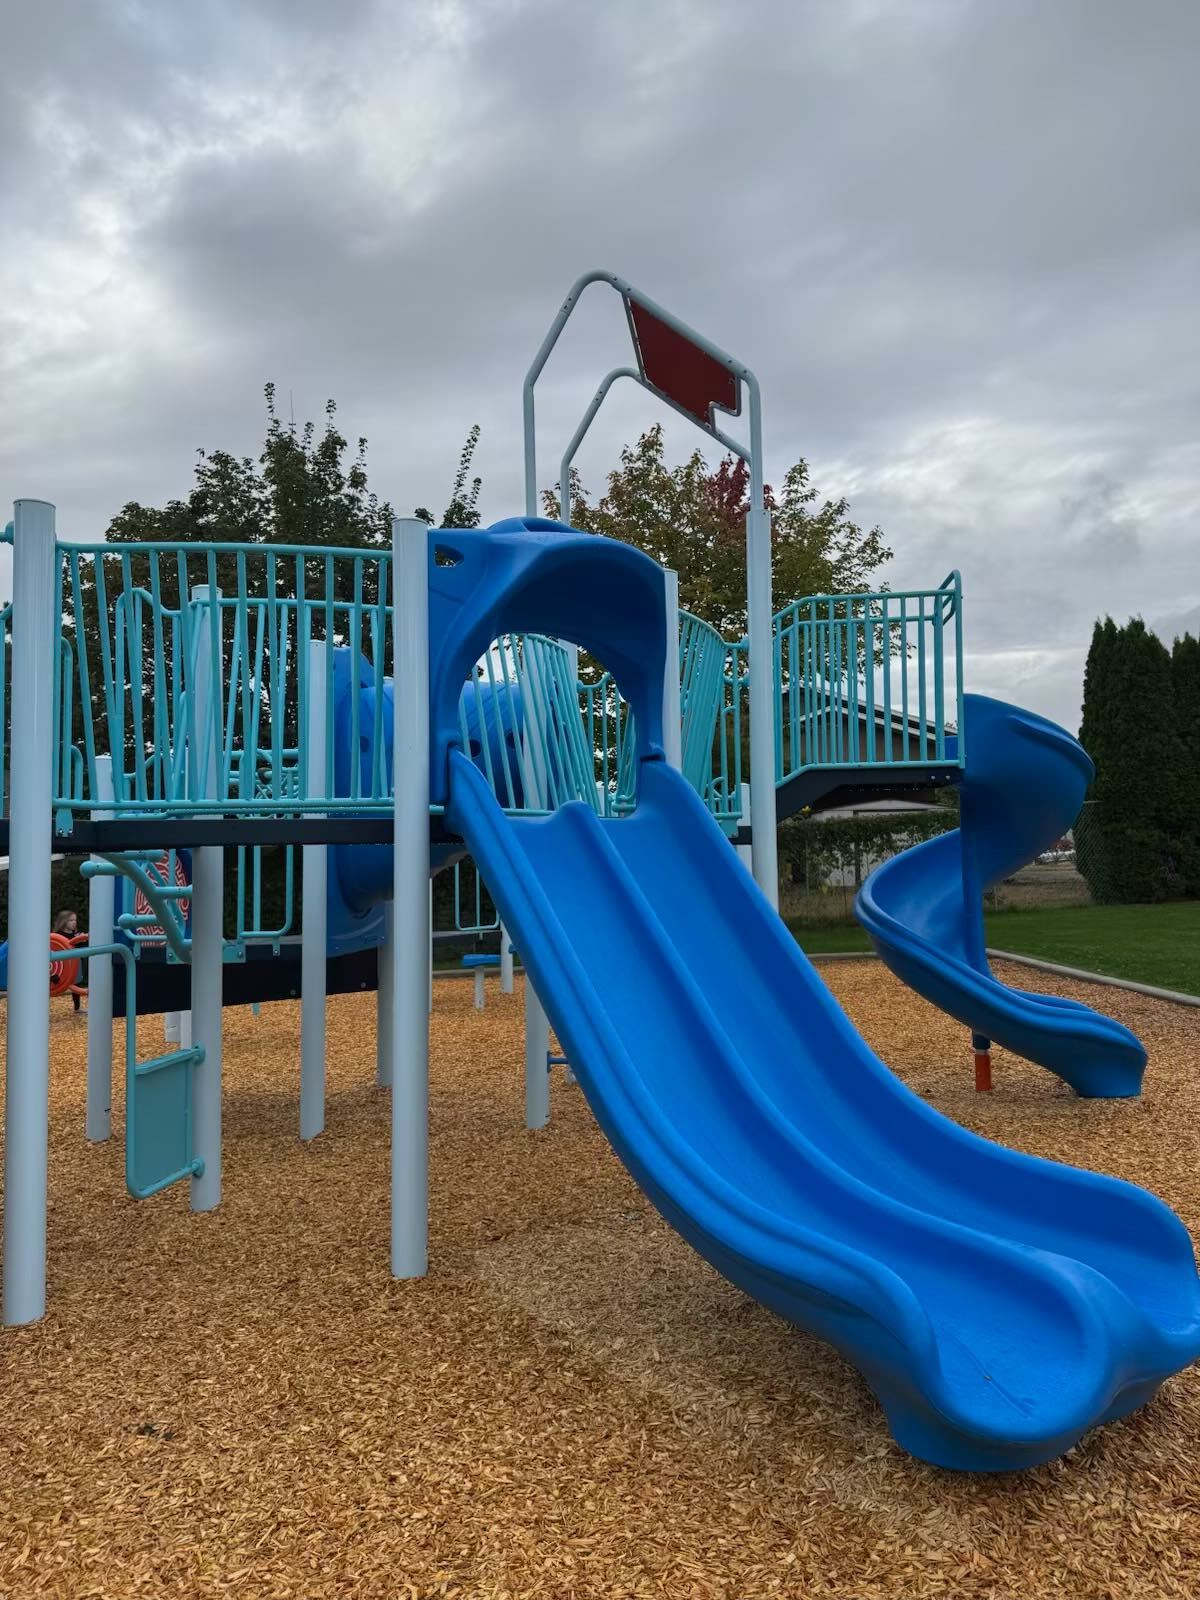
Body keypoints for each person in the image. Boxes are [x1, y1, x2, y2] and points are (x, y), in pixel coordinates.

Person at [52, 909, 83, 1011]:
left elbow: (80, 946)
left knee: (77, 982)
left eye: (75, 920)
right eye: (71, 920)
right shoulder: (57, 935)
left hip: (76, 962)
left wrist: (81, 939)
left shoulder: (76, 934)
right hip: (62, 965)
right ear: (63, 921)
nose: (74, 922)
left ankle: (77, 1007)